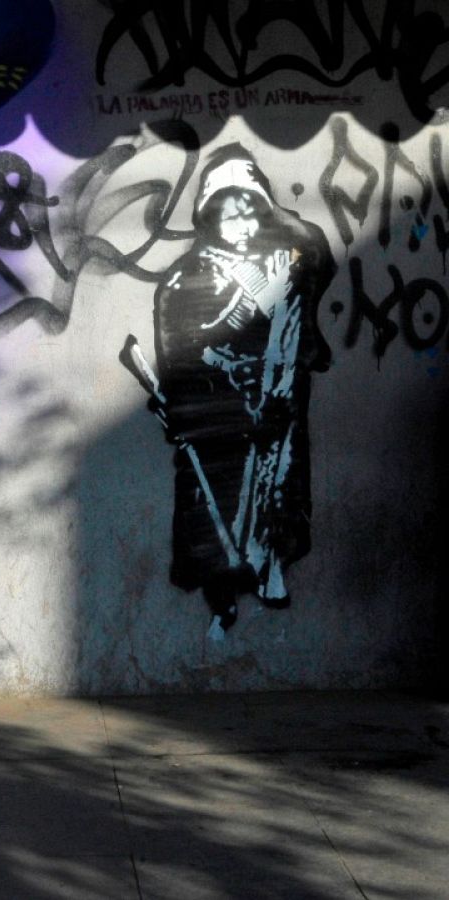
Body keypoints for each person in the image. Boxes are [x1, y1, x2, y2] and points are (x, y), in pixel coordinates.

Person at [151, 143, 334, 638]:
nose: (243, 223)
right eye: (230, 212)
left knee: (278, 502)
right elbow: (183, 354)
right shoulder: (185, 278)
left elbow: (314, 253)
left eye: (252, 210)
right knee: (220, 520)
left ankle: (270, 570)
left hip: (276, 413)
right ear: (210, 215)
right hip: (221, 426)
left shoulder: (283, 264)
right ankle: (222, 601)